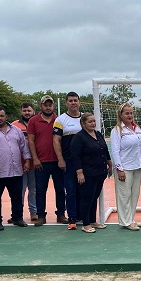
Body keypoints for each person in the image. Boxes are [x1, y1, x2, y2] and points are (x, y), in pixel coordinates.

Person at [27, 95, 66, 226]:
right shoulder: (33, 121)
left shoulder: (59, 119)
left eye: (50, 105)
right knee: (40, 190)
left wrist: (62, 159)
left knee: (60, 189)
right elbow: (31, 141)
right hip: (41, 162)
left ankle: (61, 214)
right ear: (41, 105)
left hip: (57, 161)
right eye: (45, 105)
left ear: (53, 106)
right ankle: (40, 216)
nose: (48, 107)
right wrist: (35, 159)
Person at [70, 113, 112, 233]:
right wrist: (80, 172)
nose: (93, 123)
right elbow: (75, 156)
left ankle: (93, 220)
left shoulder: (98, 134)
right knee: (86, 198)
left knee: (94, 197)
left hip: (100, 172)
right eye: (90, 122)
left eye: (94, 121)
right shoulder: (79, 137)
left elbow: (105, 150)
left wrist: (109, 164)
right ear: (83, 124)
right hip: (88, 173)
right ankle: (86, 223)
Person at [111, 103, 141, 230]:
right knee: (124, 195)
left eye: (131, 113)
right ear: (121, 115)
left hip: (137, 167)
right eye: (127, 113)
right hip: (125, 168)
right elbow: (115, 150)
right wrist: (119, 169)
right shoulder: (117, 130)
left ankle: (131, 218)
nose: (129, 115)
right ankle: (125, 221)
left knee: (134, 194)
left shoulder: (137, 128)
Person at [53, 92, 82, 229]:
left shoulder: (85, 118)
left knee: (83, 190)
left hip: (84, 162)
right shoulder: (61, 120)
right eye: (70, 101)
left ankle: (82, 215)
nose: (73, 103)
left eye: (75, 100)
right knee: (70, 190)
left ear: (79, 102)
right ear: (66, 103)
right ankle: (72, 218)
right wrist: (61, 159)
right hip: (69, 160)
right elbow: (56, 141)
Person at [11, 102, 37, 222]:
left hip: (36, 163)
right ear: (21, 112)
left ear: (33, 112)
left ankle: (34, 212)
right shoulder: (14, 126)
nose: (27, 113)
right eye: (25, 110)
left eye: (29, 110)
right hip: (19, 164)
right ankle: (17, 214)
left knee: (34, 189)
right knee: (19, 190)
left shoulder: (37, 123)